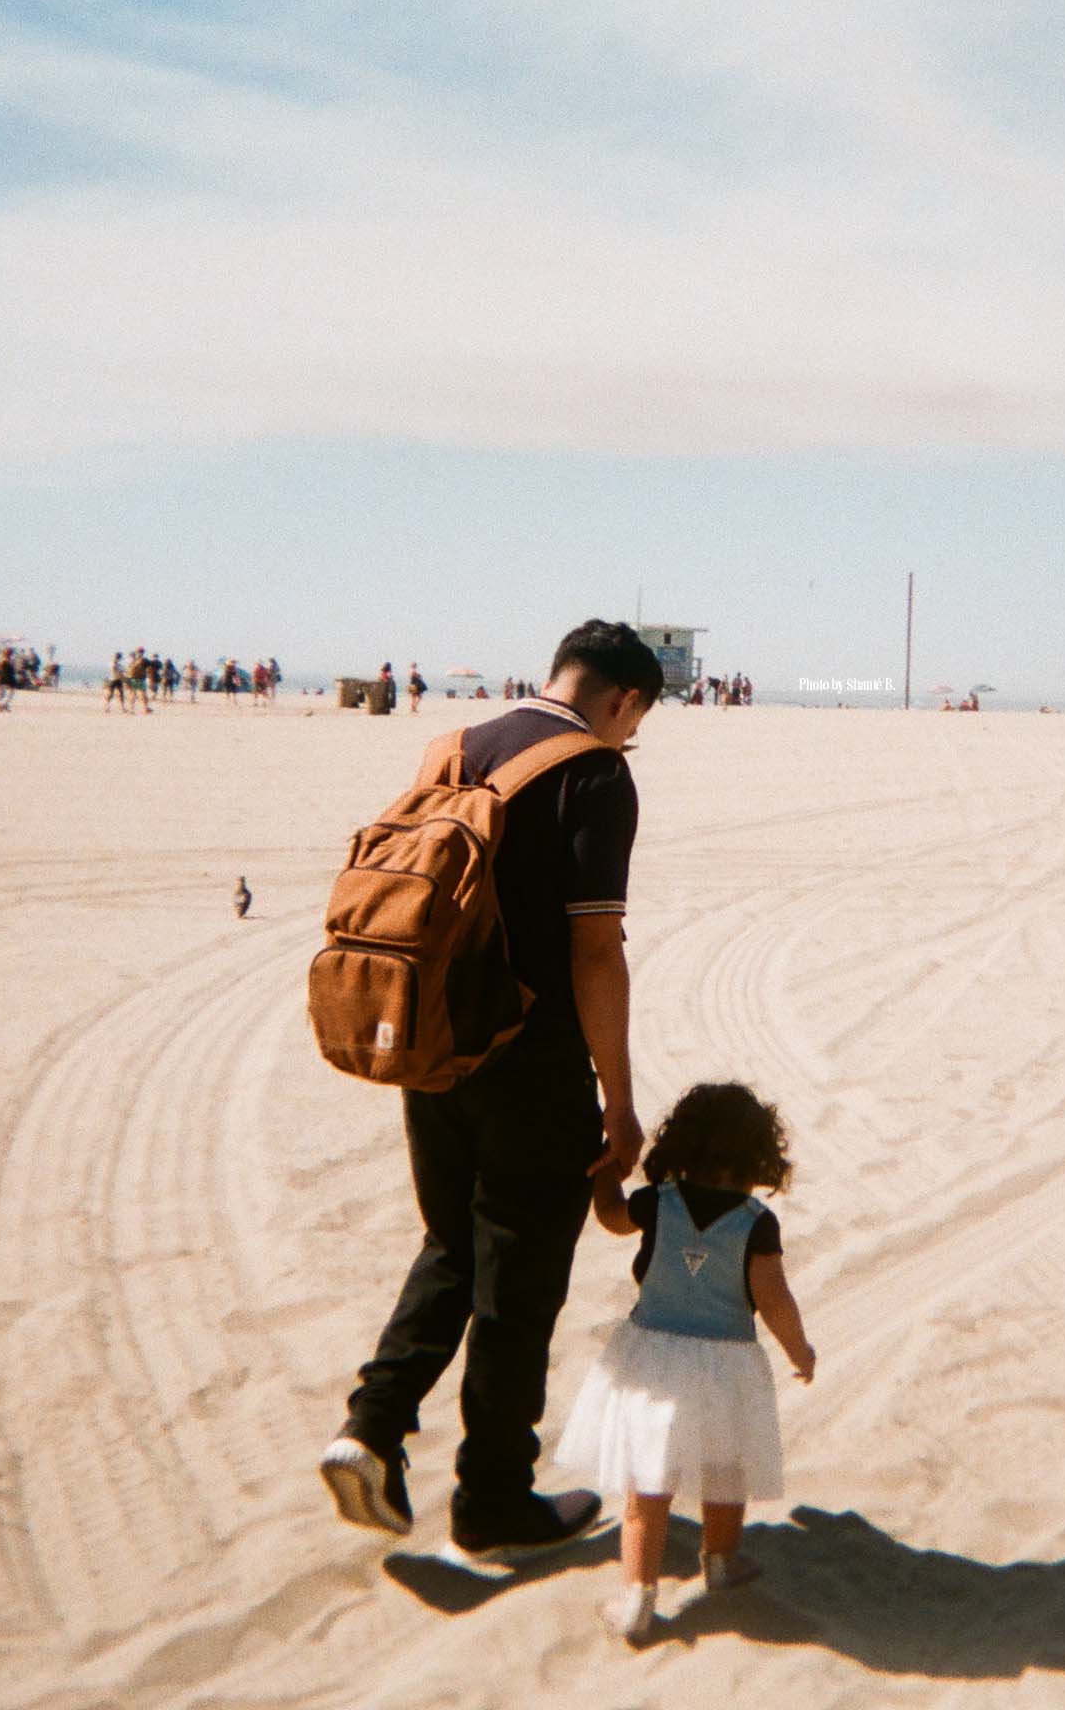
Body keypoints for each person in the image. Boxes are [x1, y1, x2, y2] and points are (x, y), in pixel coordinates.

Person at [319, 620, 664, 1561]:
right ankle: (493, 1501)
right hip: (532, 1059)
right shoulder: (594, 772)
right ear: (624, 699)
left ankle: (370, 1427)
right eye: (634, 720)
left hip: (432, 1037)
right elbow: (595, 948)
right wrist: (620, 1102)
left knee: (450, 1245)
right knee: (518, 1280)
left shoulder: (453, 748)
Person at [557, 1082, 816, 1642]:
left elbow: (610, 1217)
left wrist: (607, 1168)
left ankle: (637, 1597)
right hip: (727, 1363)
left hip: (653, 1358)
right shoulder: (756, 1221)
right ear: (758, 1155)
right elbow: (774, 1299)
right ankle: (721, 1561)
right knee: (727, 1468)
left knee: (646, 1490)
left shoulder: (658, 1203)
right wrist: (801, 1351)